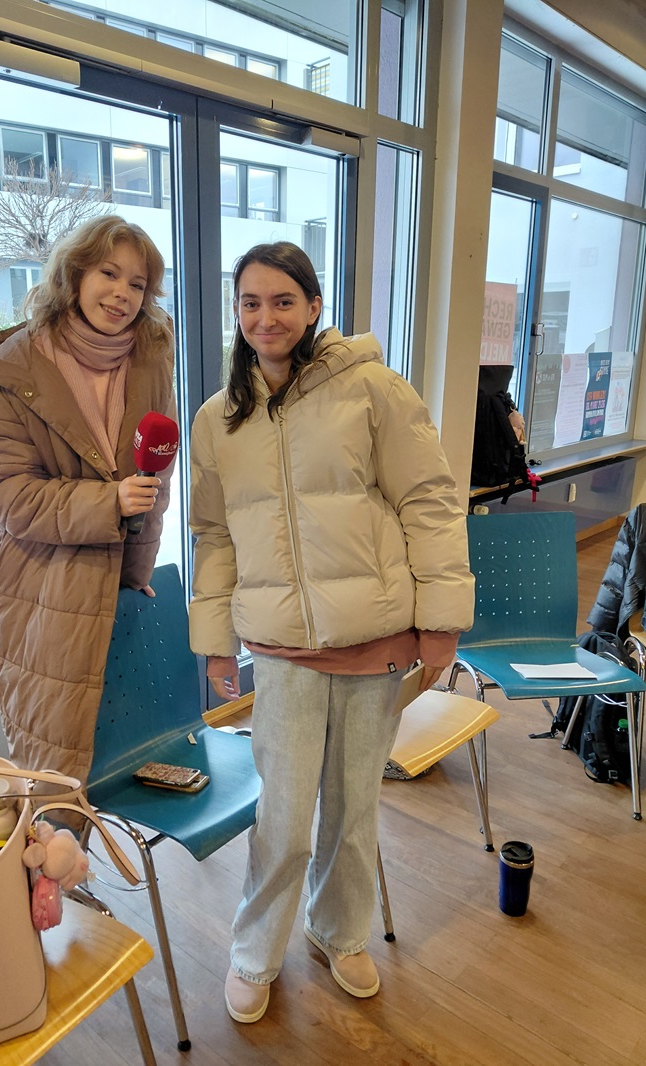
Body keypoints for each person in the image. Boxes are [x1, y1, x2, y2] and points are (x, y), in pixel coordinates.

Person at [188, 241, 474, 1024]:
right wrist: (215, 639)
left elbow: (429, 501)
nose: (265, 316)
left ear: (314, 307)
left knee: (353, 812)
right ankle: (256, 949)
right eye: (250, 302)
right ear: (236, 313)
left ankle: (341, 931)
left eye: (283, 300)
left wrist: (440, 621)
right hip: (279, 651)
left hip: (374, 643)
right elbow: (213, 536)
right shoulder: (220, 419)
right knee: (281, 817)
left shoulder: (372, 389)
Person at [0, 214, 177, 784]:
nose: (123, 293)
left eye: (138, 284)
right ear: (74, 273)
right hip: (44, 592)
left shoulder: (150, 354)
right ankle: (57, 874)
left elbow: (154, 478)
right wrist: (108, 503)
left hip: (117, 588)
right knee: (54, 776)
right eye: (109, 273)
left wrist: (136, 568)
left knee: (121, 764)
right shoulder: (12, 371)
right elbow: (6, 493)